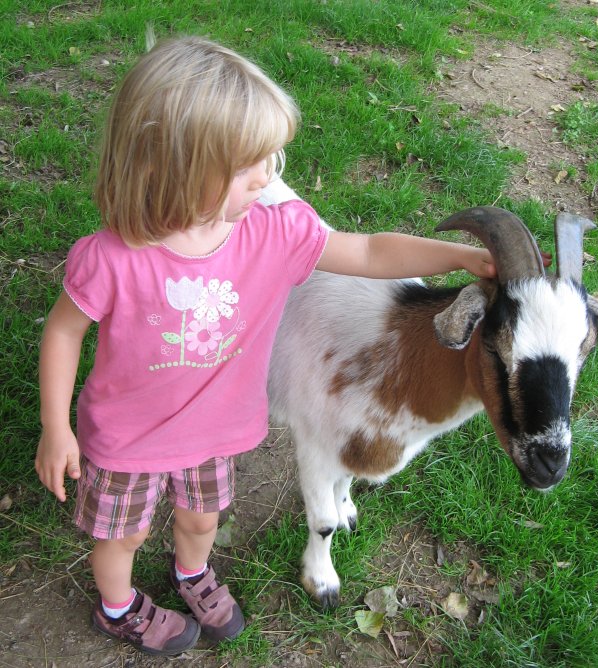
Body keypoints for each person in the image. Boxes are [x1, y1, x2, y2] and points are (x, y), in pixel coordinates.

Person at [35, 36, 498, 657]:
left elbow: (366, 252)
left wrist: (462, 256)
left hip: (215, 431)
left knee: (202, 521)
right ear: (171, 167)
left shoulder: (273, 233)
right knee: (123, 535)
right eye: (248, 164)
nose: (270, 178)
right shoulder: (113, 258)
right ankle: (117, 608)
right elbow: (64, 331)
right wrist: (54, 426)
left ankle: (192, 573)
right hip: (127, 439)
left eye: (272, 156)